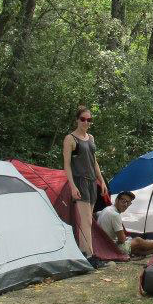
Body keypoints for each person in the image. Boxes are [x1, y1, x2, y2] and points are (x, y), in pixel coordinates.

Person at [63, 105, 113, 269]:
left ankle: (86, 254)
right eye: (83, 119)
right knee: (86, 221)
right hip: (80, 181)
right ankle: (89, 256)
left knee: (89, 220)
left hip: (92, 182)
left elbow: (94, 161)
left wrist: (101, 181)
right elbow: (67, 165)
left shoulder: (90, 138)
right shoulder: (70, 139)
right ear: (77, 120)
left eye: (89, 120)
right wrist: (72, 186)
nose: (86, 122)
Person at [96, 191, 153, 256]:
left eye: (128, 203)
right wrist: (124, 239)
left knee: (138, 248)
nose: (126, 205)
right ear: (117, 200)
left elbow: (95, 215)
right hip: (111, 248)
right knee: (138, 241)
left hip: (103, 246)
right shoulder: (114, 214)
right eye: (124, 201)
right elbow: (122, 240)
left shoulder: (105, 209)